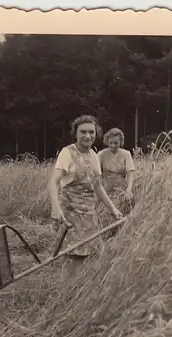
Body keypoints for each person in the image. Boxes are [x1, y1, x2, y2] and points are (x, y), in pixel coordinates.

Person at [48, 115, 123, 278]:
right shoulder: (67, 153)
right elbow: (53, 182)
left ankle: (79, 293)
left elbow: (97, 185)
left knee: (91, 255)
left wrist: (113, 209)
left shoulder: (94, 156)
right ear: (75, 133)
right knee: (73, 256)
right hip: (70, 214)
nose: (87, 136)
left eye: (91, 132)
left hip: (89, 214)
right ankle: (66, 295)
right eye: (83, 132)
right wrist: (55, 208)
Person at [98, 128, 136, 214]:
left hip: (120, 187)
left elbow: (130, 174)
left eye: (116, 143)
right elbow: (96, 174)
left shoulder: (126, 154)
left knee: (128, 204)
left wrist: (129, 190)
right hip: (105, 186)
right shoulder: (101, 154)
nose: (113, 145)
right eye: (110, 143)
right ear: (106, 142)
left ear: (121, 142)